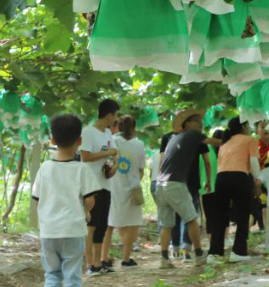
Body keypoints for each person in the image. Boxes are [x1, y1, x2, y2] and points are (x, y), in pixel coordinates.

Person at [30, 114, 98, 287]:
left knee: (52, 273)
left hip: (49, 232)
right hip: (73, 230)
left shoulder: (45, 169)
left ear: (52, 140)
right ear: (79, 141)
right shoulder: (82, 169)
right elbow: (90, 201)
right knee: (72, 279)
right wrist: (86, 211)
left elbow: (37, 199)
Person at [154, 110, 211, 268]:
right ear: (186, 124)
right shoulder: (194, 135)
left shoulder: (173, 138)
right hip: (175, 184)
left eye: (200, 121)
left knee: (167, 224)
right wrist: (230, 137)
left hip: (160, 184)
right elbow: (217, 142)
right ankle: (199, 254)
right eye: (196, 120)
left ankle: (164, 259)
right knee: (191, 219)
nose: (200, 123)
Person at [78, 98, 120, 275]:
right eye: (115, 115)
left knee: (102, 224)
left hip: (106, 183)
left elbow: (115, 154)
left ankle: (98, 262)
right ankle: (89, 264)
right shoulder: (88, 132)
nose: (116, 119)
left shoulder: (108, 134)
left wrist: (114, 167)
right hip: (91, 184)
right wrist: (108, 153)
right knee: (91, 225)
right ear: (109, 114)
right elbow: (85, 157)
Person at [212, 118, 260, 262]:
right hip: (240, 177)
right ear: (244, 127)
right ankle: (238, 252)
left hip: (221, 179)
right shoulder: (249, 140)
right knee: (243, 215)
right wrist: (258, 180)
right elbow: (253, 162)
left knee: (220, 216)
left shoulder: (224, 143)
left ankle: (214, 253)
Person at [107, 116, 146, 267]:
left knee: (116, 220)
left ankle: (105, 257)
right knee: (133, 223)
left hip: (115, 184)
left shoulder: (113, 140)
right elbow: (141, 170)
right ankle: (126, 258)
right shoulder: (139, 144)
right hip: (133, 187)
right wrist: (135, 180)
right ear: (134, 127)